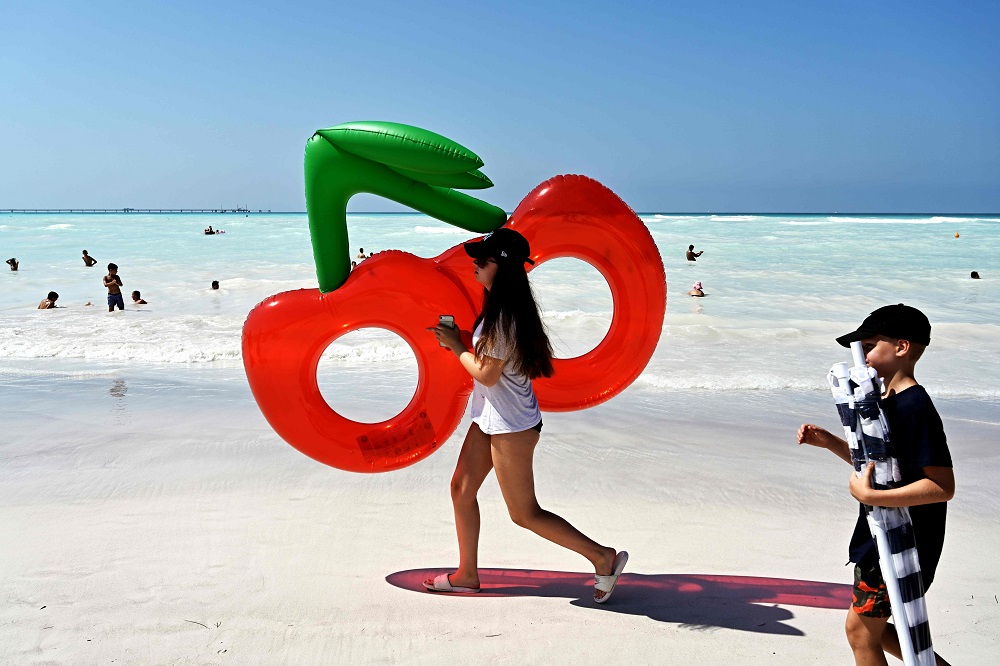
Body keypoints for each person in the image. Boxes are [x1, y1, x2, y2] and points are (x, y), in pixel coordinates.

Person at [425, 228, 628, 603]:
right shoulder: (500, 309)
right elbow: (495, 361)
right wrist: (469, 339)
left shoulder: (504, 317)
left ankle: (603, 557)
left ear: (499, 268)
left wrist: (457, 346)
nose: (475, 264)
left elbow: (486, 373)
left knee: (524, 513)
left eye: (482, 260)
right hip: (491, 416)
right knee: (461, 488)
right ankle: (467, 574)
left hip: (512, 425)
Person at [797, 304, 954, 666]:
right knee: (876, 630)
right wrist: (831, 443)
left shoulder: (915, 406)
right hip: (880, 535)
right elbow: (882, 468)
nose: (860, 356)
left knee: (860, 631)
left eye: (868, 346)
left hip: (903, 542)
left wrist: (871, 495)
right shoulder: (884, 401)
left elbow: (942, 486)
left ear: (901, 347)